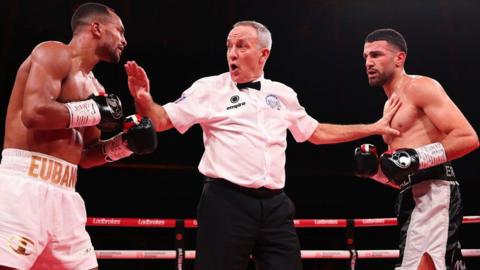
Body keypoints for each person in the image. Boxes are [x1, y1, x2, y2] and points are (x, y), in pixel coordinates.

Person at [124, 21, 400, 270]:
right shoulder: (209, 89)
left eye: (242, 46)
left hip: (276, 206)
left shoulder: (283, 93)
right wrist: (143, 98)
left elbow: (316, 132)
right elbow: (160, 121)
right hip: (225, 201)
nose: (232, 52)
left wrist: (373, 127)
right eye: (229, 46)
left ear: (263, 54)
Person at [0, 3, 157, 270]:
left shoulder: (96, 87)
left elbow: (86, 155)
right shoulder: (52, 53)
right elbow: (35, 113)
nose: (124, 40)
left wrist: (125, 145)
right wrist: (92, 110)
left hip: (66, 192)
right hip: (23, 187)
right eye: (119, 31)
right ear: (96, 28)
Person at [354, 28, 479, 270]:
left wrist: (415, 157)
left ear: (399, 58)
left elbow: (468, 137)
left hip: (434, 192)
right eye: (366, 56)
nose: (369, 62)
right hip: (411, 198)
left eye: (377, 55)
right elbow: (400, 173)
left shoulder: (420, 87)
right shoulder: (388, 108)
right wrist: (376, 172)